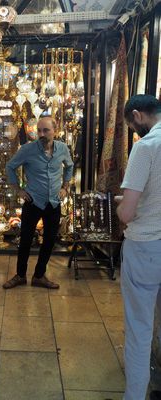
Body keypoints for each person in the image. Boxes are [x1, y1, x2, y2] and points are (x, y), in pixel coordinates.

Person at [116, 95, 161, 400]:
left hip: (146, 245)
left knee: (140, 327)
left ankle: (134, 396)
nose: (134, 130)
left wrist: (120, 209)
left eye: (132, 125)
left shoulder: (145, 148)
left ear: (137, 116)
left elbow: (127, 213)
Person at [3, 116, 74, 289]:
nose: (41, 134)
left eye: (45, 130)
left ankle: (39, 275)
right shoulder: (27, 149)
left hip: (54, 203)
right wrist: (18, 189)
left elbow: (70, 166)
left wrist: (65, 187)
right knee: (25, 240)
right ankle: (20, 275)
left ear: (54, 131)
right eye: (39, 130)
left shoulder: (63, 148)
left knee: (49, 241)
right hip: (33, 201)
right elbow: (10, 166)